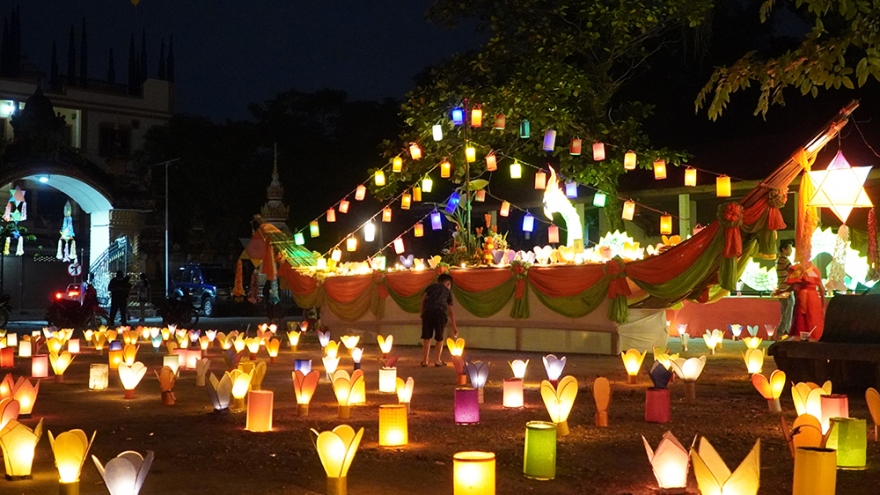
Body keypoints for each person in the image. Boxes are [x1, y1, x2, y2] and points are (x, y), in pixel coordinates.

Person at [421, 273, 458, 367]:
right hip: (440, 313)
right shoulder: (447, 291)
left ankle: (425, 360)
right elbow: (450, 311)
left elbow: (423, 298)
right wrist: (454, 327)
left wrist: (422, 312)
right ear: (448, 283)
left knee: (426, 337)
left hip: (427, 312)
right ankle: (437, 360)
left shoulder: (430, 287)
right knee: (439, 337)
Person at [787, 261, 825, 341]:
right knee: (812, 319)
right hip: (813, 297)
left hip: (807, 297)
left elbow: (794, 286)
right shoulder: (814, 269)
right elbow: (821, 289)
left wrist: (782, 291)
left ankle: (803, 339)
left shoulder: (799, 269)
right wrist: (823, 305)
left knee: (804, 320)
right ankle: (815, 338)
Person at [773, 240, 795, 335]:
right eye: (789, 248)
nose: (791, 250)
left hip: (782, 288)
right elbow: (794, 271)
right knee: (787, 312)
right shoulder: (784, 260)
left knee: (786, 311)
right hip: (786, 289)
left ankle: (785, 331)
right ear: (784, 249)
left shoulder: (779, 260)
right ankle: (782, 332)